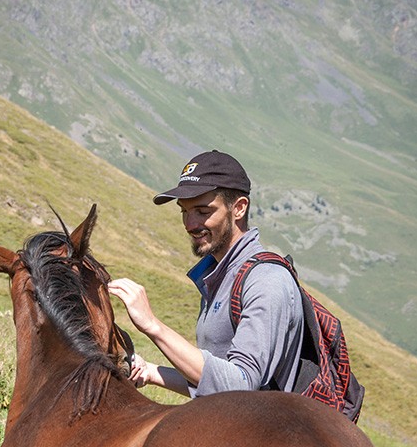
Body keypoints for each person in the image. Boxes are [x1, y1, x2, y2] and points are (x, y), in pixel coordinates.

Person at [108, 150, 304, 398]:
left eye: (203, 211)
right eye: (184, 211)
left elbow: (239, 386)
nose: (190, 224)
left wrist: (153, 326)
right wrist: (152, 372)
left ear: (239, 208)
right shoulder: (222, 274)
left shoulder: (265, 281)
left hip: (258, 433)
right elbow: (214, 381)